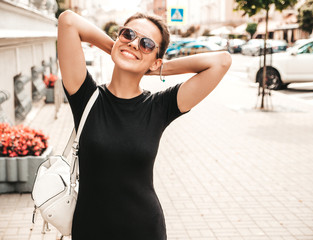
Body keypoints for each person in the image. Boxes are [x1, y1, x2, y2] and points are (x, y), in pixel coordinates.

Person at [57, 10, 231, 240]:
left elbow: (221, 61)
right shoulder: (85, 96)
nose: (135, 43)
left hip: (144, 230)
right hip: (90, 230)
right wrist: (119, 48)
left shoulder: (159, 107)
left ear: (156, 58)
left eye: (147, 44)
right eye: (128, 34)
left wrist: (157, 67)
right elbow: (68, 20)